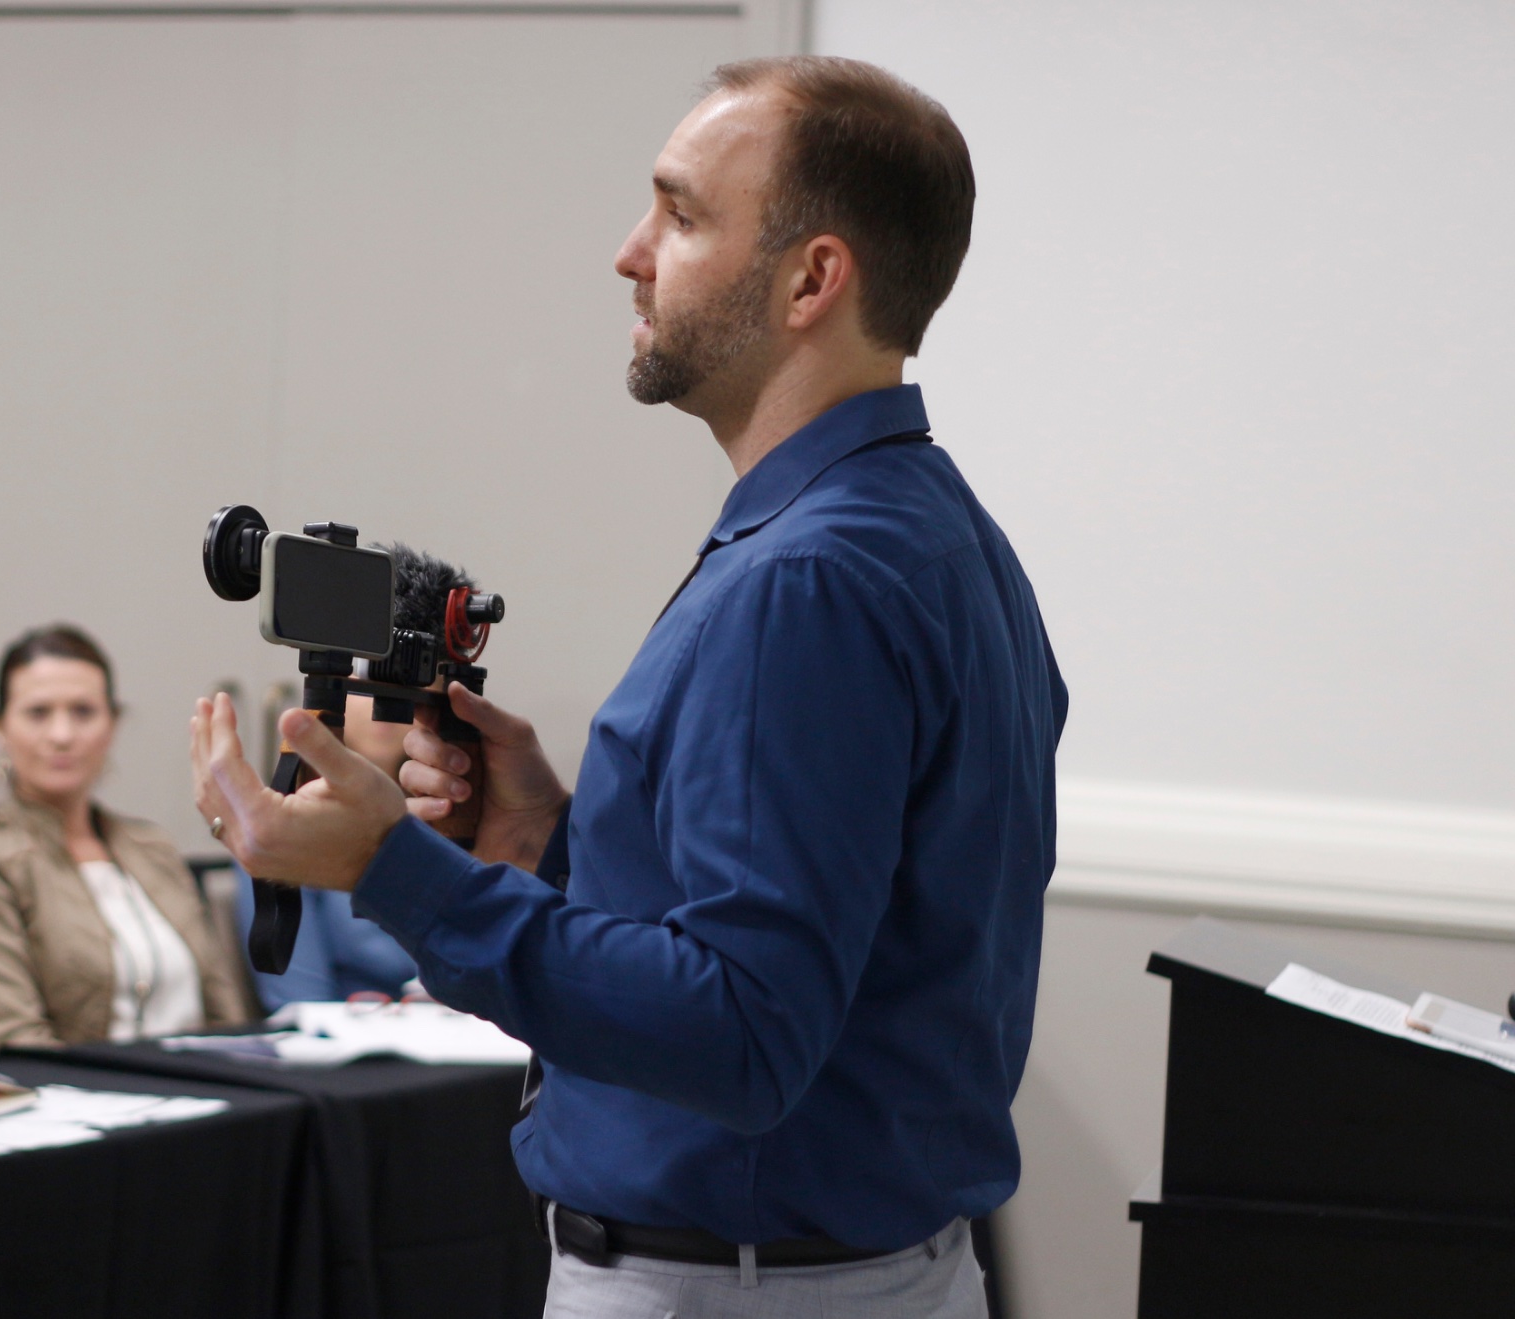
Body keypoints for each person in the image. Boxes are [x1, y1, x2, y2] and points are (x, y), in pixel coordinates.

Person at [192, 56, 1067, 1317]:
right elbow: (841, 927)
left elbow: (744, 1034)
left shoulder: (802, 581)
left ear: (812, 278)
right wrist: (549, 841)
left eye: (681, 212)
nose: (628, 251)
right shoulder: (936, 534)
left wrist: (396, 865)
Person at [0, 625, 248, 1057]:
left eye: (83, 711)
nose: (62, 734)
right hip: (82, 1104)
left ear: (112, 723)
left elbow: (225, 1014)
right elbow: (15, 1043)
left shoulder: (152, 847)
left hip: (210, 1092)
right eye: (38, 713)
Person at [232, 693, 418, 1010]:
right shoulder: (286, 832)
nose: (385, 697)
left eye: (404, 683)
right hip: (353, 1043)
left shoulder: (456, 824)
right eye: (365, 682)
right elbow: (301, 1001)